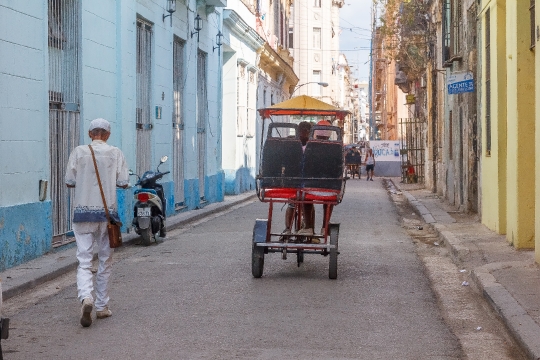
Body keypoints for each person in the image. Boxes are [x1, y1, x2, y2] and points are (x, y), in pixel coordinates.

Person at [65, 118, 129, 327]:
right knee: (105, 261)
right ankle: (101, 307)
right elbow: (123, 182)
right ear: (107, 135)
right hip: (107, 215)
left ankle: (86, 298)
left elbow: (69, 181)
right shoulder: (115, 152)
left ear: (90, 133)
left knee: (84, 260)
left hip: (83, 214)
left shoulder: (79, 152)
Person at [282, 121, 312, 239]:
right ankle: (308, 227)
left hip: (295, 180)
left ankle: (287, 229)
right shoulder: (312, 145)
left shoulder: (291, 142)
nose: (304, 133)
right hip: (303, 181)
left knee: (293, 203)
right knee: (306, 203)